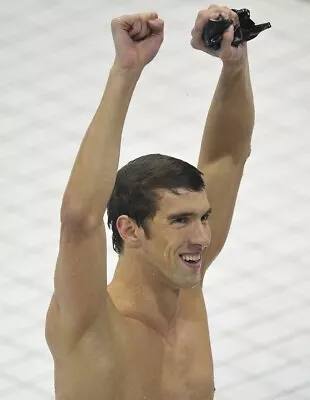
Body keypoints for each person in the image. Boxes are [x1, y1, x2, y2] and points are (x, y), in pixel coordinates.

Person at [45, 5, 254, 400]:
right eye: (180, 221)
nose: (203, 237)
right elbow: (79, 219)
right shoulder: (91, 326)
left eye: (204, 217)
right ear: (129, 229)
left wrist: (234, 62)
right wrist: (126, 71)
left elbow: (228, 157)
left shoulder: (183, 281)